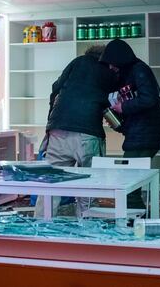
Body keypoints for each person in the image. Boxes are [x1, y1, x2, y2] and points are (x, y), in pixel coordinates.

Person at [38, 45, 116, 216]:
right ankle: (88, 227)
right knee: (89, 183)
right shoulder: (109, 69)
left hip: (58, 129)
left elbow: (55, 87)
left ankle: (41, 224)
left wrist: (50, 122)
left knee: (50, 183)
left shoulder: (77, 62)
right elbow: (114, 98)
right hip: (87, 132)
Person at [99, 39, 160, 210]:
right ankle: (137, 218)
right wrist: (120, 123)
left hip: (146, 135)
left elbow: (149, 99)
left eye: (112, 63)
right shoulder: (130, 72)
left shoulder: (139, 70)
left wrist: (123, 107)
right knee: (130, 182)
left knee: (129, 183)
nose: (111, 67)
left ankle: (135, 220)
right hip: (141, 134)